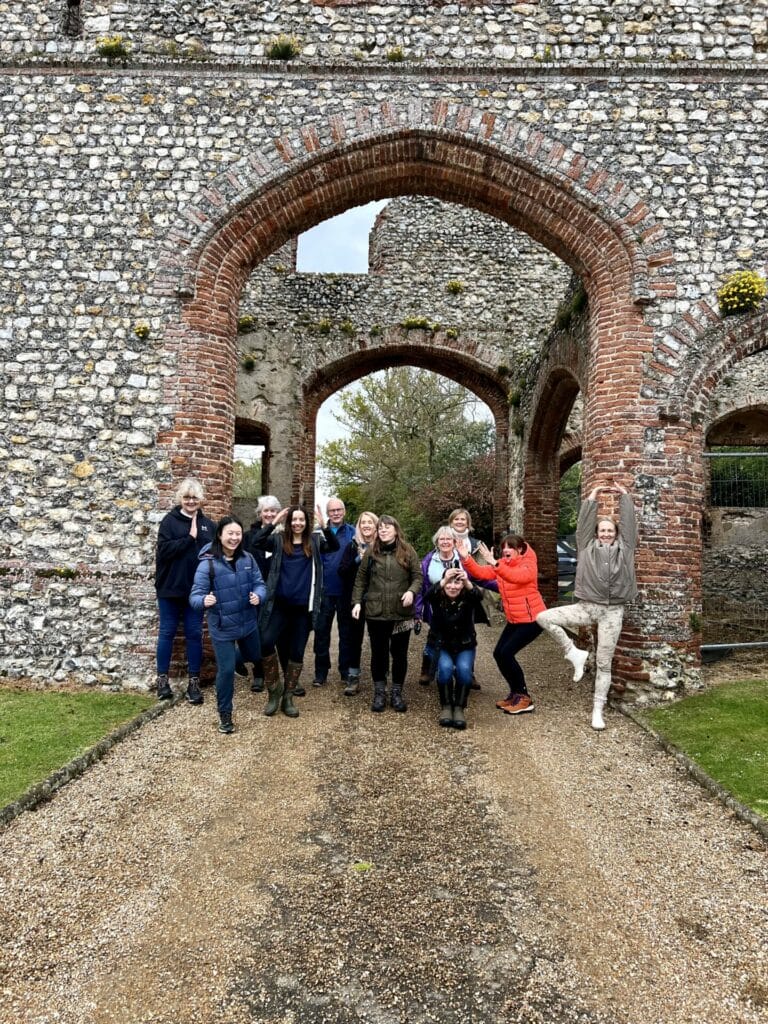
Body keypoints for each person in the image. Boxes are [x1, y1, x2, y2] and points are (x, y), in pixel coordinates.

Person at [536, 481, 638, 731]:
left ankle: (597, 710)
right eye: (602, 530)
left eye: (609, 530)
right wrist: (593, 497)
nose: (606, 533)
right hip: (587, 607)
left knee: (604, 663)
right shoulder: (586, 547)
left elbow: (629, 527)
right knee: (543, 617)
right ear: (596, 533)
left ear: (615, 533)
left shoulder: (626, 549)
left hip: (613, 612)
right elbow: (582, 526)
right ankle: (574, 653)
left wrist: (624, 497)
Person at [257, 505, 338, 718]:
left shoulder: (315, 541)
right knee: (265, 642)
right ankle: (274, 691)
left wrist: (325, 526)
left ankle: (288, 697)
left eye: (301, 520)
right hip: (279, 606)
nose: (298, 523)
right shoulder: (278, 540)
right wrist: (273, 523)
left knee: (296, 652)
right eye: (294, 519)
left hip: (303, 610)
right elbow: (256, 542)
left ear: (307, 522)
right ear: (289, 521)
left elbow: (335, 546)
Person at [189, 515, 267, 734]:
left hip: (247, 622)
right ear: (220, 535)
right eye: (230, 533)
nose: (234, 538)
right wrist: (204, 600)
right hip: (222, 627)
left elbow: (261, 584)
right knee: (226, 670)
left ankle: (238, 658)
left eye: (238, 534)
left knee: (255, 655)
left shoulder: (248, 559)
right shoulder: (208, 564)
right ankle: (225, 714)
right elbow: (194, 597)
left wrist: (258, 596)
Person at [457, 533, 546, 716]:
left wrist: (495, 563)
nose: (505, 550)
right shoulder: (503, 564)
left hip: (532, 620)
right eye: (504, 547)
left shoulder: (528, 564)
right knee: (499, 653)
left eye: (510, 547)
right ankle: (515, 693)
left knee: (506, 653)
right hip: (515, 619)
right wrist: (466, 558)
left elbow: (517, 577)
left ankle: (524, 698)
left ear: (520, 549)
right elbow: (482, 573)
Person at [153, 477, 216, 704]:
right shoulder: (169, 521)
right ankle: (162, 681)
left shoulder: (208, 525)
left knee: (194, 635)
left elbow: (215, 556)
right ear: (181, 498)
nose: (190, 501)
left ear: (201, 500)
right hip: (170, 588)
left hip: (196, 592)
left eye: (194, 498)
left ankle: (194, 683)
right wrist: (189, 538)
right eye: (187, 497)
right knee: (167, 633)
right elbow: (164, 552)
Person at [351, 515, 422, 713]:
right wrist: (356, 602)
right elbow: (360, 580)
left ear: (396, 530)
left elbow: (418, 576)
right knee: (378, 653)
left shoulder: (408, 551)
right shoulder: (371, 552)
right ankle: (380, 691)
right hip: (376, 612)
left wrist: (411, 591)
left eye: (387, 527)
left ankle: (397, 692)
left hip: (401, 613)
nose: (383, 530)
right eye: (380, 527)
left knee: (399, 654)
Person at [424, 565, 485, 730]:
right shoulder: (438, 597)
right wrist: (444, 580)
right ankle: (446, 705)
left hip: (464, 644)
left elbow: (478, 596)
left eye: (457, 583)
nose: (453, 587)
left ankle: (459, 706)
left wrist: (466, 580)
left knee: (464, 670)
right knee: (445, 669)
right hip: (441, 644)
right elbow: (427, 595)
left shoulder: (468, 598)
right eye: (449, 583)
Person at [312, 497, 357, 688]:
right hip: (324, 591)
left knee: (346, 633)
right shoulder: (317, 532)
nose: (336, 513)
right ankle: (320, 672)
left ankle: (345, 671)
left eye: (339, 509)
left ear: (344, 511)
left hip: (346, 591)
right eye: (332, 510)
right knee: (321, 633)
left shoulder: (354, 532)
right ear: (328, 513)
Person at [242, 495, 283, 692]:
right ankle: (259, 673)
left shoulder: (285, 535)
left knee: (281, 634)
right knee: (258, 633)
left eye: (273, 511)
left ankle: (284, 676)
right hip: (256, 592)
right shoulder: (249, 537)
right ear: (260, 514)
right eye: (265, 511)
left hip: (280, 593)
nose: (269, 514)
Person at [337, 511, 379, 696]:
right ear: (359, 526)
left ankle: (380, 678)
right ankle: (352, 676)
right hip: (355, 601)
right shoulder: (352, 546)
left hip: (377, 601)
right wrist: (358, 560)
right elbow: (342, 571)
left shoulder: (382, 547)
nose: (367, 526)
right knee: (354, 639)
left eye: (370, 522)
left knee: (378, 640)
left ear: (376, 526)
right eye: (363, 523)